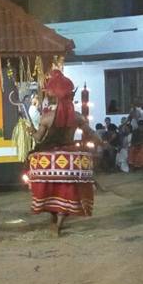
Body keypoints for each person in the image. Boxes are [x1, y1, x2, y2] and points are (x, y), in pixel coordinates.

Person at [26, 69, 98, 236]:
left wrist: (31, 130)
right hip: (70, 160)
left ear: (54, 96)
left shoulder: (47, 117)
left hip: (49, 161)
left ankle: (54, 221)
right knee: (67, 192)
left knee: (49, 190)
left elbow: (38, 139)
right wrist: (99, 142)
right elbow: (91, 133)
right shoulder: (78, 117)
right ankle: (58, 223)